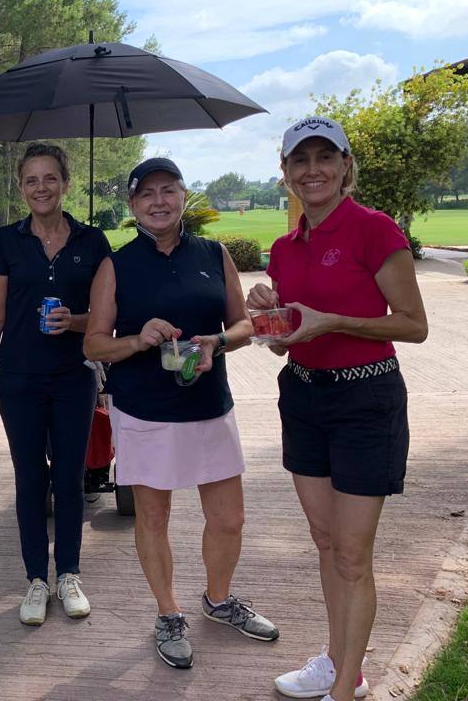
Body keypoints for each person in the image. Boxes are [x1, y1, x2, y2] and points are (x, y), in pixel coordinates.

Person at [249, 117, 428, 701]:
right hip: (303, 395)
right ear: (286, 174)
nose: (314, 170)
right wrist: (267, 316)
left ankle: (345, 690)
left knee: (353, 553)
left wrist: (335, 322)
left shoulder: (374, 230)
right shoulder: (285, 246)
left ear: (346, 166)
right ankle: (337, 661)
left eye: (326, 157)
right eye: (301, 161)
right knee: (325, 541)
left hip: (365, 398)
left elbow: (413, 324)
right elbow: (282, 340)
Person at [84, 157, 279, 670]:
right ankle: (168, 613)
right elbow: (95, 343)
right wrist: (137, 338)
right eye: (146, 194)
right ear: (132, 206)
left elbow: (243, 325)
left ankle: (218, 599)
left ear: (182, 195)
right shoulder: (117, 265)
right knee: (153, 515)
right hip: (145, 412)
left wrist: (216, 340)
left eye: (167, 190)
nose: (158, 201)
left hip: (209, 405)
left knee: (229, 518)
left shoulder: (214, 255)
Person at [0, 143, 111, 626]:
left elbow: (107, 319)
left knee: (70, 479)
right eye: (31, 180)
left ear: (66, 183)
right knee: (30, 478)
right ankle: (36, 579)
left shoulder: (92, 242)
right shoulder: (7, 240)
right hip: (19, 380)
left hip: (75, 377)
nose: (40, 188)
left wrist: (74, 322)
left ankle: (68, 574)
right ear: (21, 187)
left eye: (50, 178)